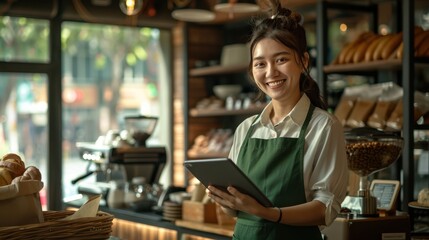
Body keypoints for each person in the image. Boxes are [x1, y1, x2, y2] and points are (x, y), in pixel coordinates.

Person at [206, 1, 349, 239]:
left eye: (281, 60)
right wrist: (225, 199)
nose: (270, 72)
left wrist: (268, 213)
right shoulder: (246, 129)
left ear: (303, 61)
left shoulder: (324, 126)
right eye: (260, 63)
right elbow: (235, 212)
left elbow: (325, 209)